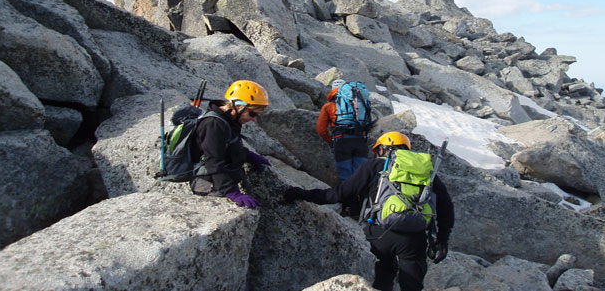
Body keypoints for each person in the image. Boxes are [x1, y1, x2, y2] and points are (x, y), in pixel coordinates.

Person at [284, 131, 454, 291]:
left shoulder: (375, 165)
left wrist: (301, 193)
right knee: (412, 285)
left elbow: (338, 194)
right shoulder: (426, 171)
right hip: (414, 237)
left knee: (384, 274)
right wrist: (442, 239)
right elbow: (446, 206)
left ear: (382, 148)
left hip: (379, 233)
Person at [189, 80, 271, 208]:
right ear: (238, 106)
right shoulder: (213, 124)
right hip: (206, 181)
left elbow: (229, 146)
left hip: (222, 177)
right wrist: (231, 192)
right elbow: (213, 161)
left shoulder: (230, 120)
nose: (254, 119)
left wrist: (248, 155)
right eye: (252, 113)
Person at [316, 79, 369, 181]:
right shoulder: (358, 102)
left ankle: (348, 196)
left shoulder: (329, 106)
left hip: (342, 141)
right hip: (360, 140)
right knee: (360, 176)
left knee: (346, 177)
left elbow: (320, 129)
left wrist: (330, 141)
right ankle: (361, 196)